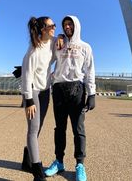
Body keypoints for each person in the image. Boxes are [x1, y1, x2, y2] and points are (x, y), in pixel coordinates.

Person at [45, 15, 96, 181]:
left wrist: (92, 93)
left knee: (78, 129)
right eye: (65, 25)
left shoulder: (85, 47)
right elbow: (44, 56)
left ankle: (80, 164)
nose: (67, 27)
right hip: (59, 89)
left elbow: (89, 71)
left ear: (76, 26)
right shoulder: (58, 44)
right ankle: (59, 161)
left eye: (70, 24)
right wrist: (58, 38)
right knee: (59, 128)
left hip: (77, 90)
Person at [21, 16, 57, 181]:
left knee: (39, 126)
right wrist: (28, 100)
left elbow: (63, 41)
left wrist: (62, 38)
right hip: (34, 91)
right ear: (43, 29)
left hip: (46, 90)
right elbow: (26, 77)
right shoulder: (32, 52)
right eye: (52, 25)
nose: (55, 28)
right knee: (33, 129)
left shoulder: (52, 42)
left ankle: (27, 157)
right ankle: (37, 171)